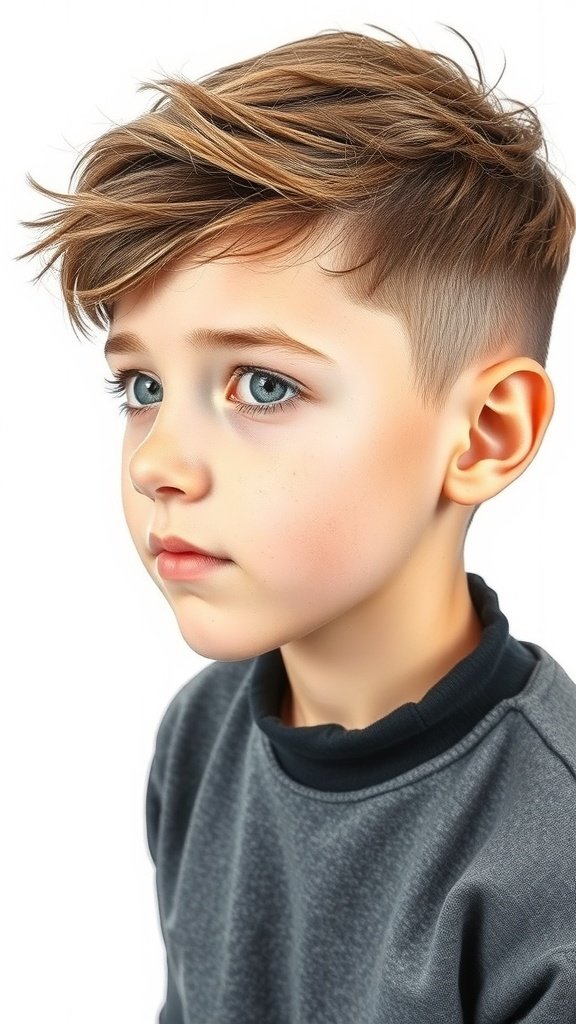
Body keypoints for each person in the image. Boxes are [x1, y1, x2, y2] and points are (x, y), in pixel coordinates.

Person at [17, 24, 576, 1024]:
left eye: (263, 384)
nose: (157, 462)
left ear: (487, 431)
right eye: (141, 385)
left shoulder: (554, 852)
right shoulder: (204, 733)